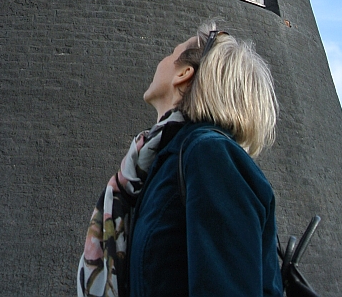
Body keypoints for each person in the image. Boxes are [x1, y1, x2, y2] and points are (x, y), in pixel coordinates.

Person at [77, 24, 283, 297]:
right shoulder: (159, 165)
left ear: (184, 74)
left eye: (171, 53)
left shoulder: (211, 156)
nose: (160, 60)